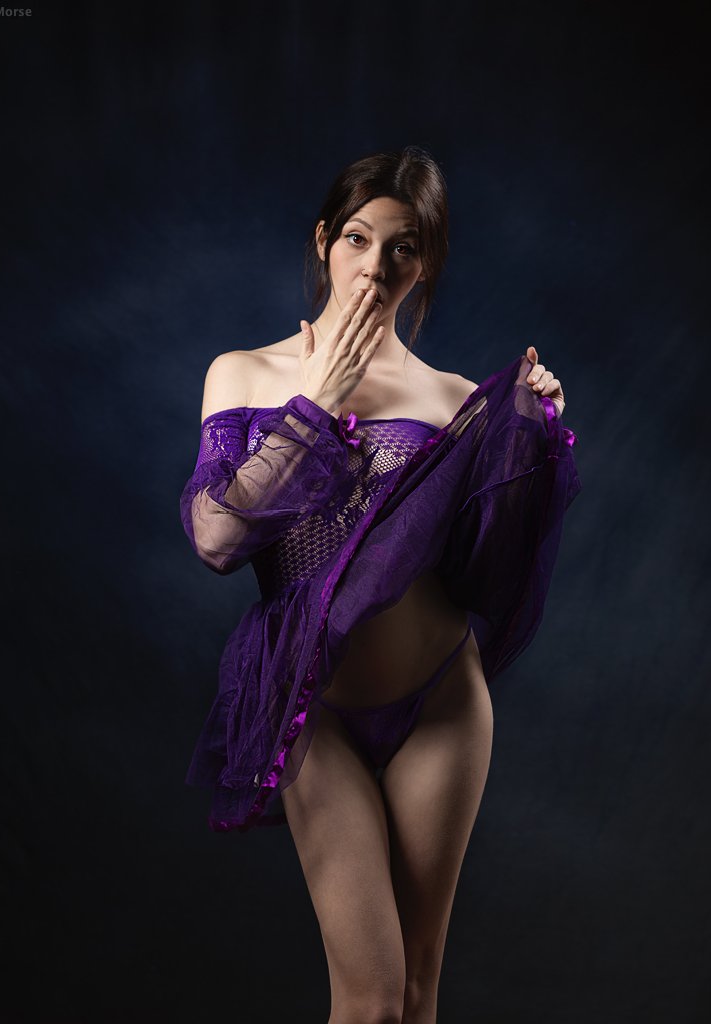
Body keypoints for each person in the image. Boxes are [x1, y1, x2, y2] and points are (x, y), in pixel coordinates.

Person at [179, 146, 580, 1024]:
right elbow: (217, 537)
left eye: (403, 247)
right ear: (324, 241)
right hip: (310, 705)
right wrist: (316, 403)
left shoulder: (454, 398)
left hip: (440, 699)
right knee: (367, 997)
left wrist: (533, 436)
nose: (375, 265)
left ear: (424, 263)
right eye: (358, 238)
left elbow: (482, 567)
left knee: (415, 994)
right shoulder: (242, 374)